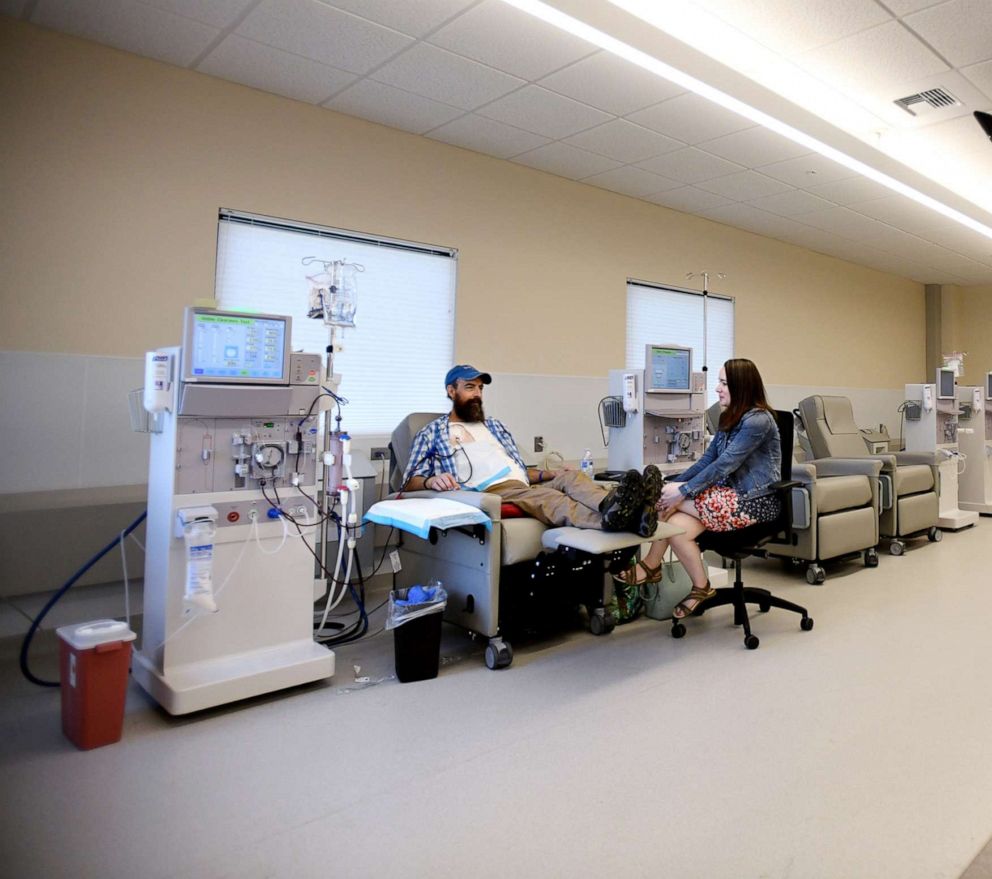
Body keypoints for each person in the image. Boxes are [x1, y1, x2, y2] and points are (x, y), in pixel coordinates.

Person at [402, 365, 663, 536]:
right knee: (552, 500)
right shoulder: (433, 432)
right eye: (470, 387)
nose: (478, 394)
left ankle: (616, 505)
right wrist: (431, 480)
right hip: (489, 492)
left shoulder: (494, 426)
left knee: (571, 478)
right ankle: (613, 519)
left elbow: (520, 470)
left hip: (521, 483)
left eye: (480, 388)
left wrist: (553, 474)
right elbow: (409, 482)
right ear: (451, 391)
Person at [614, 358, 782, 619]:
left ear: (742, 387)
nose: (717, 389)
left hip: (756, 501)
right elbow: (707, 460)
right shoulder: (729, 418)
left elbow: (725, 464)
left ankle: (650, 565)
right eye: (719, 382)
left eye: (724, 383)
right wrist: (674, 483)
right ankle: (701, 586)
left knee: (669, 505)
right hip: (728, 498)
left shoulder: (758, 421)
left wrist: (681, 491)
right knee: (675, 527)